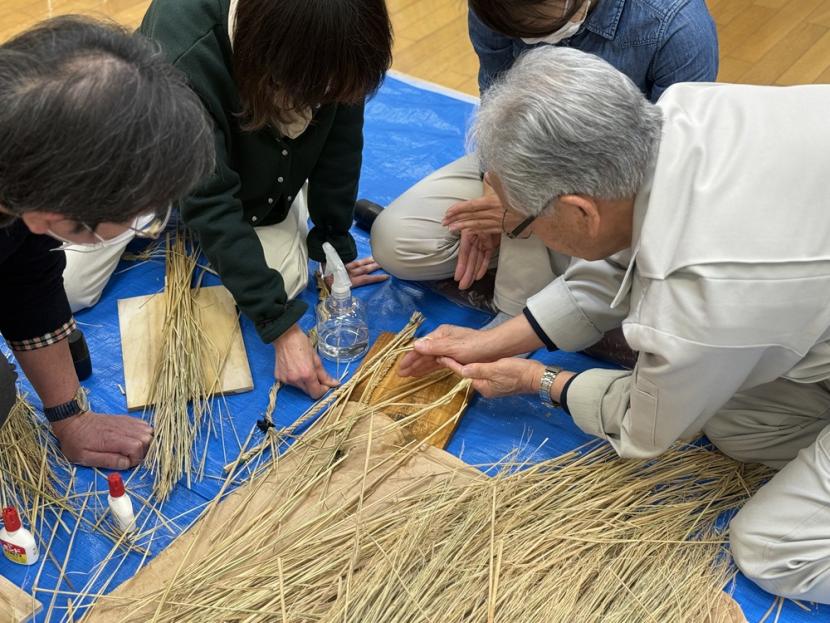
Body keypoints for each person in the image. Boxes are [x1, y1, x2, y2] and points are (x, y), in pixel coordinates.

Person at [399, 46, 830, 603]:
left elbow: (647, 428)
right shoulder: (674, 115)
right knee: (730, 420)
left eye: (522, 223)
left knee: (772, 548)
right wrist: (491, 342)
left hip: (753, 294)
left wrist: (538, 381)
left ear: (580, 211)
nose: (521, 234)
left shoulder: (699, 295)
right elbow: (621, 261)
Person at [371, 0, 718, 334]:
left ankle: (534, 295)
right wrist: (493, 190)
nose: (529, 43)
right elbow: (499, 117)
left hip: (621, 194)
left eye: (539, 27)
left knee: (649, 286)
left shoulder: (675, 25)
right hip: (522, 168)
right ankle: (553, 269)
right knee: (399, 242)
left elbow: (668, 175)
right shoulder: (494, 10)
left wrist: (520, 213)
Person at [131, 0, 392, 399]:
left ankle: (260, 217)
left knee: (286, 284)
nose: (324, 101)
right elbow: (208, 196)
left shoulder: (337, 38)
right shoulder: (182, 51)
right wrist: (283, 331)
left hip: (255, 171)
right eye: (315, 92)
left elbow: (340, 146)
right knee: (73, 284)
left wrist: (330, 245)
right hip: (153, 152)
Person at [0, 16, 215, 468]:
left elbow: (27, 281)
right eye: (140, 215)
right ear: (53, 216)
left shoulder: (22, 157)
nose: (145, 220)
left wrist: (69, 416)